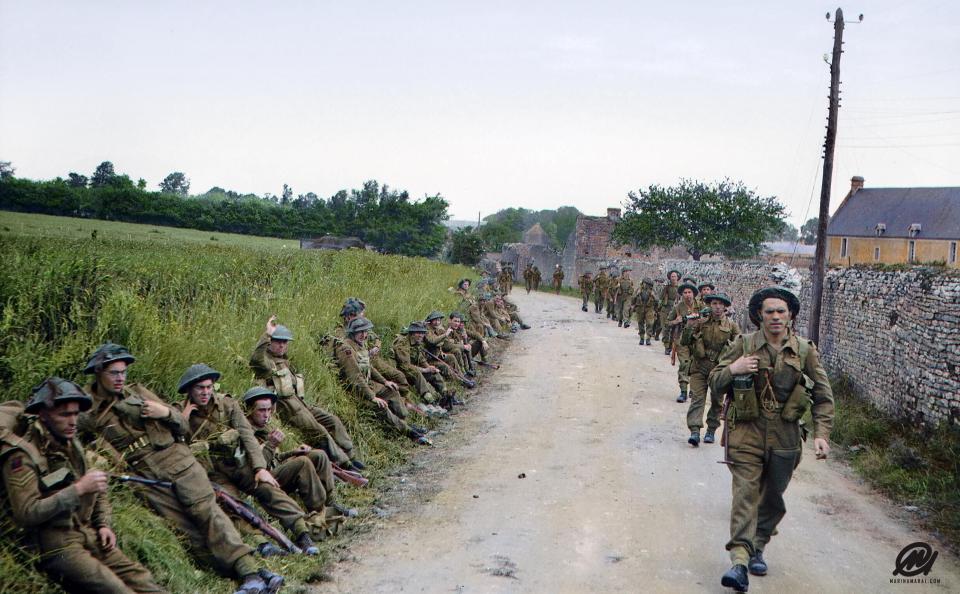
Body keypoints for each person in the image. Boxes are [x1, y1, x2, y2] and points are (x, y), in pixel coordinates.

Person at [77, 343, 283, 594]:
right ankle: (251, 576)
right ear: (98, 373)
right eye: (114, 373)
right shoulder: (86, 411)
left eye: (123, 372)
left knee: (207, 513)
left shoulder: (138, 392)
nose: (121, 378)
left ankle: (250, 571)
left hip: (177, 459)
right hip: (145, 475)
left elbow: (182, 427)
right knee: (187, 531)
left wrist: (164, 412)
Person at [709, 286, 834, 592]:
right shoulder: (744, 344)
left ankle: (758, 545)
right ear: (759, 316)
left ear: (790, 315)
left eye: (781, 311)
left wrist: (821, 434)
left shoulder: (805, 350)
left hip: (785, 435)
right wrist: (734, 368)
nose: (775, 317)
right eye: (769, 312)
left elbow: (822, 395)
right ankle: (739, 561)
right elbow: (715, 381)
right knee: (745, 495)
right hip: (746, 432)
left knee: (773, 497)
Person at [1, 378, 166, 594]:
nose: (73, 421)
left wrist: (103, 524)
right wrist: (77, 489)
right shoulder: (22, 457)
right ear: (43, 414)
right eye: (64, 415)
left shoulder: (71, 443)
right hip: (55, 545)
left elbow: (97, 486)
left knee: (144, 582)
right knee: (116, 590)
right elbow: (27, 513)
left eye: (75, 414)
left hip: (88, 533)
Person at [176, 364, 319, 557]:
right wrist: (182, 420)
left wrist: (260, 468)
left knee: (270, 490)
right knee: (232, 506)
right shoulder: (179, 412)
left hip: (242, 465)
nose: (205, 392)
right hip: (215, 474)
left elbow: (247, 436)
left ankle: (302, 533)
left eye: (209, 387)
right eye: (200, 388)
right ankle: (262, 543)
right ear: (190, 390)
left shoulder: (227, 405)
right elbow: (176, 448)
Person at [249, 316, 361, 471]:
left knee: (333, 421)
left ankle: (352, 456)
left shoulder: (285, 362)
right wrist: (267, 334)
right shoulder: (267, 363)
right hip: (289, 408)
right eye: (278, 341)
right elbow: (255, 360)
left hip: (301, 404)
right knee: (319, 431)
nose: (282, 345)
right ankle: (345, 464)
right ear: (270, 343)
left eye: (285, 342)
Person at [243, 388, 355, 532]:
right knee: (303, 463)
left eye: (269, 410)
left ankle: (329, 502)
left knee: (319, 455)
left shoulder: (264, 427)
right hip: (264, 482)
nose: (266, 415)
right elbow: (257, 467)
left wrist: (293, 452)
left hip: (276, 471)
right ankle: (318, 511)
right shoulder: (246, 433)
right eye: (261, 410)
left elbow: (276, 458)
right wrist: (271, 445)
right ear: (250, 410)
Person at [334, 317, 431, 445]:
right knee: (381, 406)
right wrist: (373, 397)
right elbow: (356, 377)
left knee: (393, 392)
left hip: (368, 383)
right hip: (357, 390)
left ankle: (405, 423)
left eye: (365, 331)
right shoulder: (346, 349)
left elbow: (369, 367)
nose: (364, 335)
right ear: (352, 333)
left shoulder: (359, 345)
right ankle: (410, 433)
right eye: (360, 332)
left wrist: (385, 382)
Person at [680, 293, 740, 446]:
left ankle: (711, 430)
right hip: (699, 366)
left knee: (716, 401)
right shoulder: (701, 323)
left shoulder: (731, 326)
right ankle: (694, 430)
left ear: (726, 307)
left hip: (719, 370)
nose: (717, 307)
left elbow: (739, 347)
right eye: (714, 303)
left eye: (721, 304)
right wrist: (689, 326)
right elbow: (685, 341)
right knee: (697, 399)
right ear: (709, 305)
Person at [666, 281, 699, 403]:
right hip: (682, 340)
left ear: (694, 294)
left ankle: (694, 389)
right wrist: (676, 321)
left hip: (697, 339)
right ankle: (684, 391)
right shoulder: (678, 307)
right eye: (685, 292)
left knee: (696, 365)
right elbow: (667, 322)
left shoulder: (700, 305)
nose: (687, 295)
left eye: (689, 292)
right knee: (685, 364)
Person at [659, 270, 681, 354]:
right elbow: (661, 298)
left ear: (677, 278)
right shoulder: (666, 287)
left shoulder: (680, 289)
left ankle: (671, 346)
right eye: (672, 276)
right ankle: (666, 346)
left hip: (675, 310)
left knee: (673, 329)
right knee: (665, 328)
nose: (673, 278)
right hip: (665, 309)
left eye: (675, 276)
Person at [632, 277, 658, 345]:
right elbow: (633, 298)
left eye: (647, 284)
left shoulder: (653, 291)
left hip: (649, 308)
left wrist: (653, 296)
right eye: (644, 283)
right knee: (640, 323)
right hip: (640, 308)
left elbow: (657, 301)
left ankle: (648, 338)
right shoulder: (639, 290)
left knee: (650, 323)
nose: (646, 285)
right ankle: (642, 338)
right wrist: (633, 306)